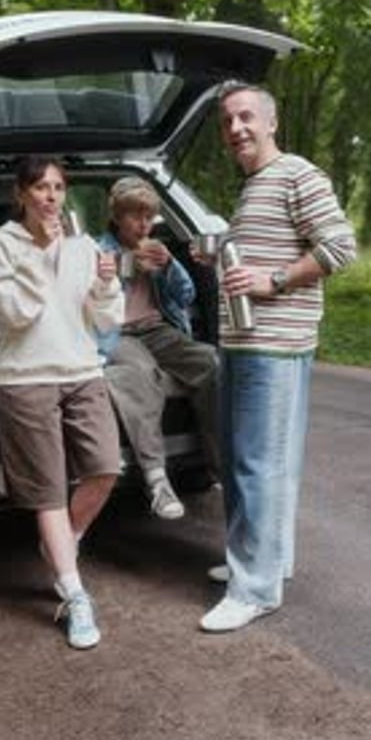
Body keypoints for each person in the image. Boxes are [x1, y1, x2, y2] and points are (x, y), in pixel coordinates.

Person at [198, 83, 356, 632]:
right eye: (227, 122)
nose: (236, 128)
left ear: (270, 122)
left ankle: (255, 589)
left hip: (274, 347)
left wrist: (274, 280)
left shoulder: (298, 174)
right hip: (246, 344)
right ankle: (268, 562)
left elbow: (340, 246)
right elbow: (261, 253)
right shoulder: (254, 186)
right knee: (259, 464)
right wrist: (214, 256)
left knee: (254, 466)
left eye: (246, 117)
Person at [0, 155, 124, 650]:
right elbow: (16, 316)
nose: (51, 197)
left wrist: (105, 282)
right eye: (40, 187)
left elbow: (106, 319)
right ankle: (74, 593)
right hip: (25, 378)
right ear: (21, 194)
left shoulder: (84, 245)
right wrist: (39, 255)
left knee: (106, 468)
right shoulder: (2, 246)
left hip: (82, 370)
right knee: (48, 492)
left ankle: (61, 544)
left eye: (58, 188)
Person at [97, 177, 220, 520]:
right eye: (135, 216)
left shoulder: (156, 247)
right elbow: (88, 295)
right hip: (116, 334)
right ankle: (156, 479)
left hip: (157, 329)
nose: (143, 224)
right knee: (139, 375)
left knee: (210, 361)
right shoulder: (97, 249)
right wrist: (125, 268)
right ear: (118, 217)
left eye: (149, 217)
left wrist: (169, 266)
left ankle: (219, 464)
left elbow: (186, 295)